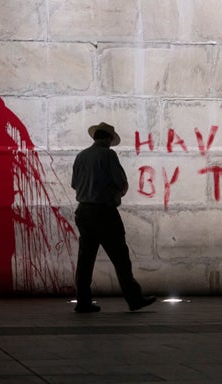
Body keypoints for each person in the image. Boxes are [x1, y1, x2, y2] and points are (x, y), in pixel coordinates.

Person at [71, 122, 156, 313]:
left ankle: (83, 302)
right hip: (104, 212)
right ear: (108, 139)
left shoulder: (81, 156)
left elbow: (75, 184)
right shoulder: (108, 155)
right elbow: (120, 182)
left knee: (85, 260)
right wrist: (115, 192)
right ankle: (134, 298)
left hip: (83, 211)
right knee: (120, 258)